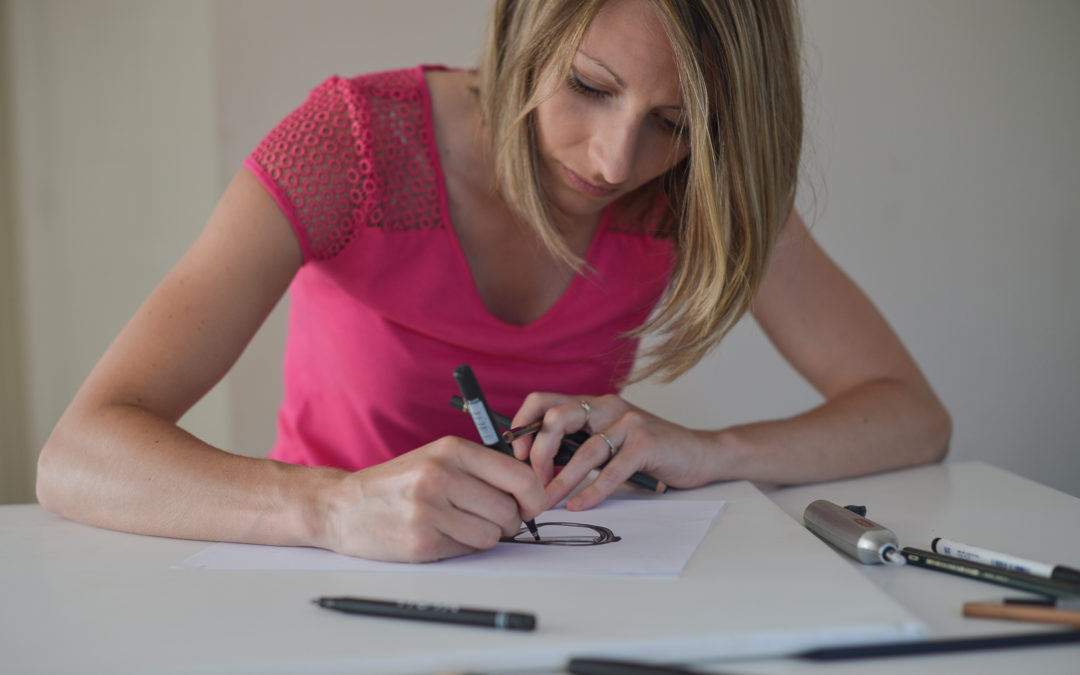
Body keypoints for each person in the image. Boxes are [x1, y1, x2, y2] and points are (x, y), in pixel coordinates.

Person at [35, 0, 950, 563]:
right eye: (589, 87)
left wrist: (711, 449)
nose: (613, 158)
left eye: (672, 122)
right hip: (332, 582)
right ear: (527, 26)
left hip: (570, 587)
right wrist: (328, 507)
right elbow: (78, 457)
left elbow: (910, 413)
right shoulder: (352, 144)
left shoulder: (693, 183)